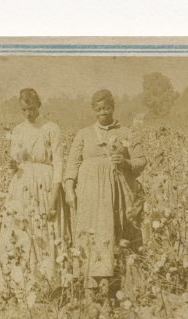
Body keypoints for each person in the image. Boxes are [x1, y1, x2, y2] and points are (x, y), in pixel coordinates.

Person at [63, 89, 146, 299]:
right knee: (90, 236)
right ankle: (89, 286)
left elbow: (141, 161)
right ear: (94, 110)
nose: (103, 112)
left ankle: (114, 287)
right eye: (98, 109)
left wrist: (125, 162)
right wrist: (70, 188)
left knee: (114, 236)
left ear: (113, 107)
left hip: (115, 197)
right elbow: (72, 163)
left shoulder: (127, 133)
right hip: (89, 197)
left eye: (106, 108)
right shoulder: (83, 134)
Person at [0, 88, 64, 281]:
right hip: (22, 182)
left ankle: (46, 279)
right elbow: (15, 159)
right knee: (20, 227)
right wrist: (13, 165)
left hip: (44, 182)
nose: (28, 113)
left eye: (32, 108)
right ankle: (22, 278)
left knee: (43, 227)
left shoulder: (51, 128)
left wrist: (54, 195)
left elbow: (58, 162)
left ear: (39, 106)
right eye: (24, 110)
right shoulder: (18, 130)